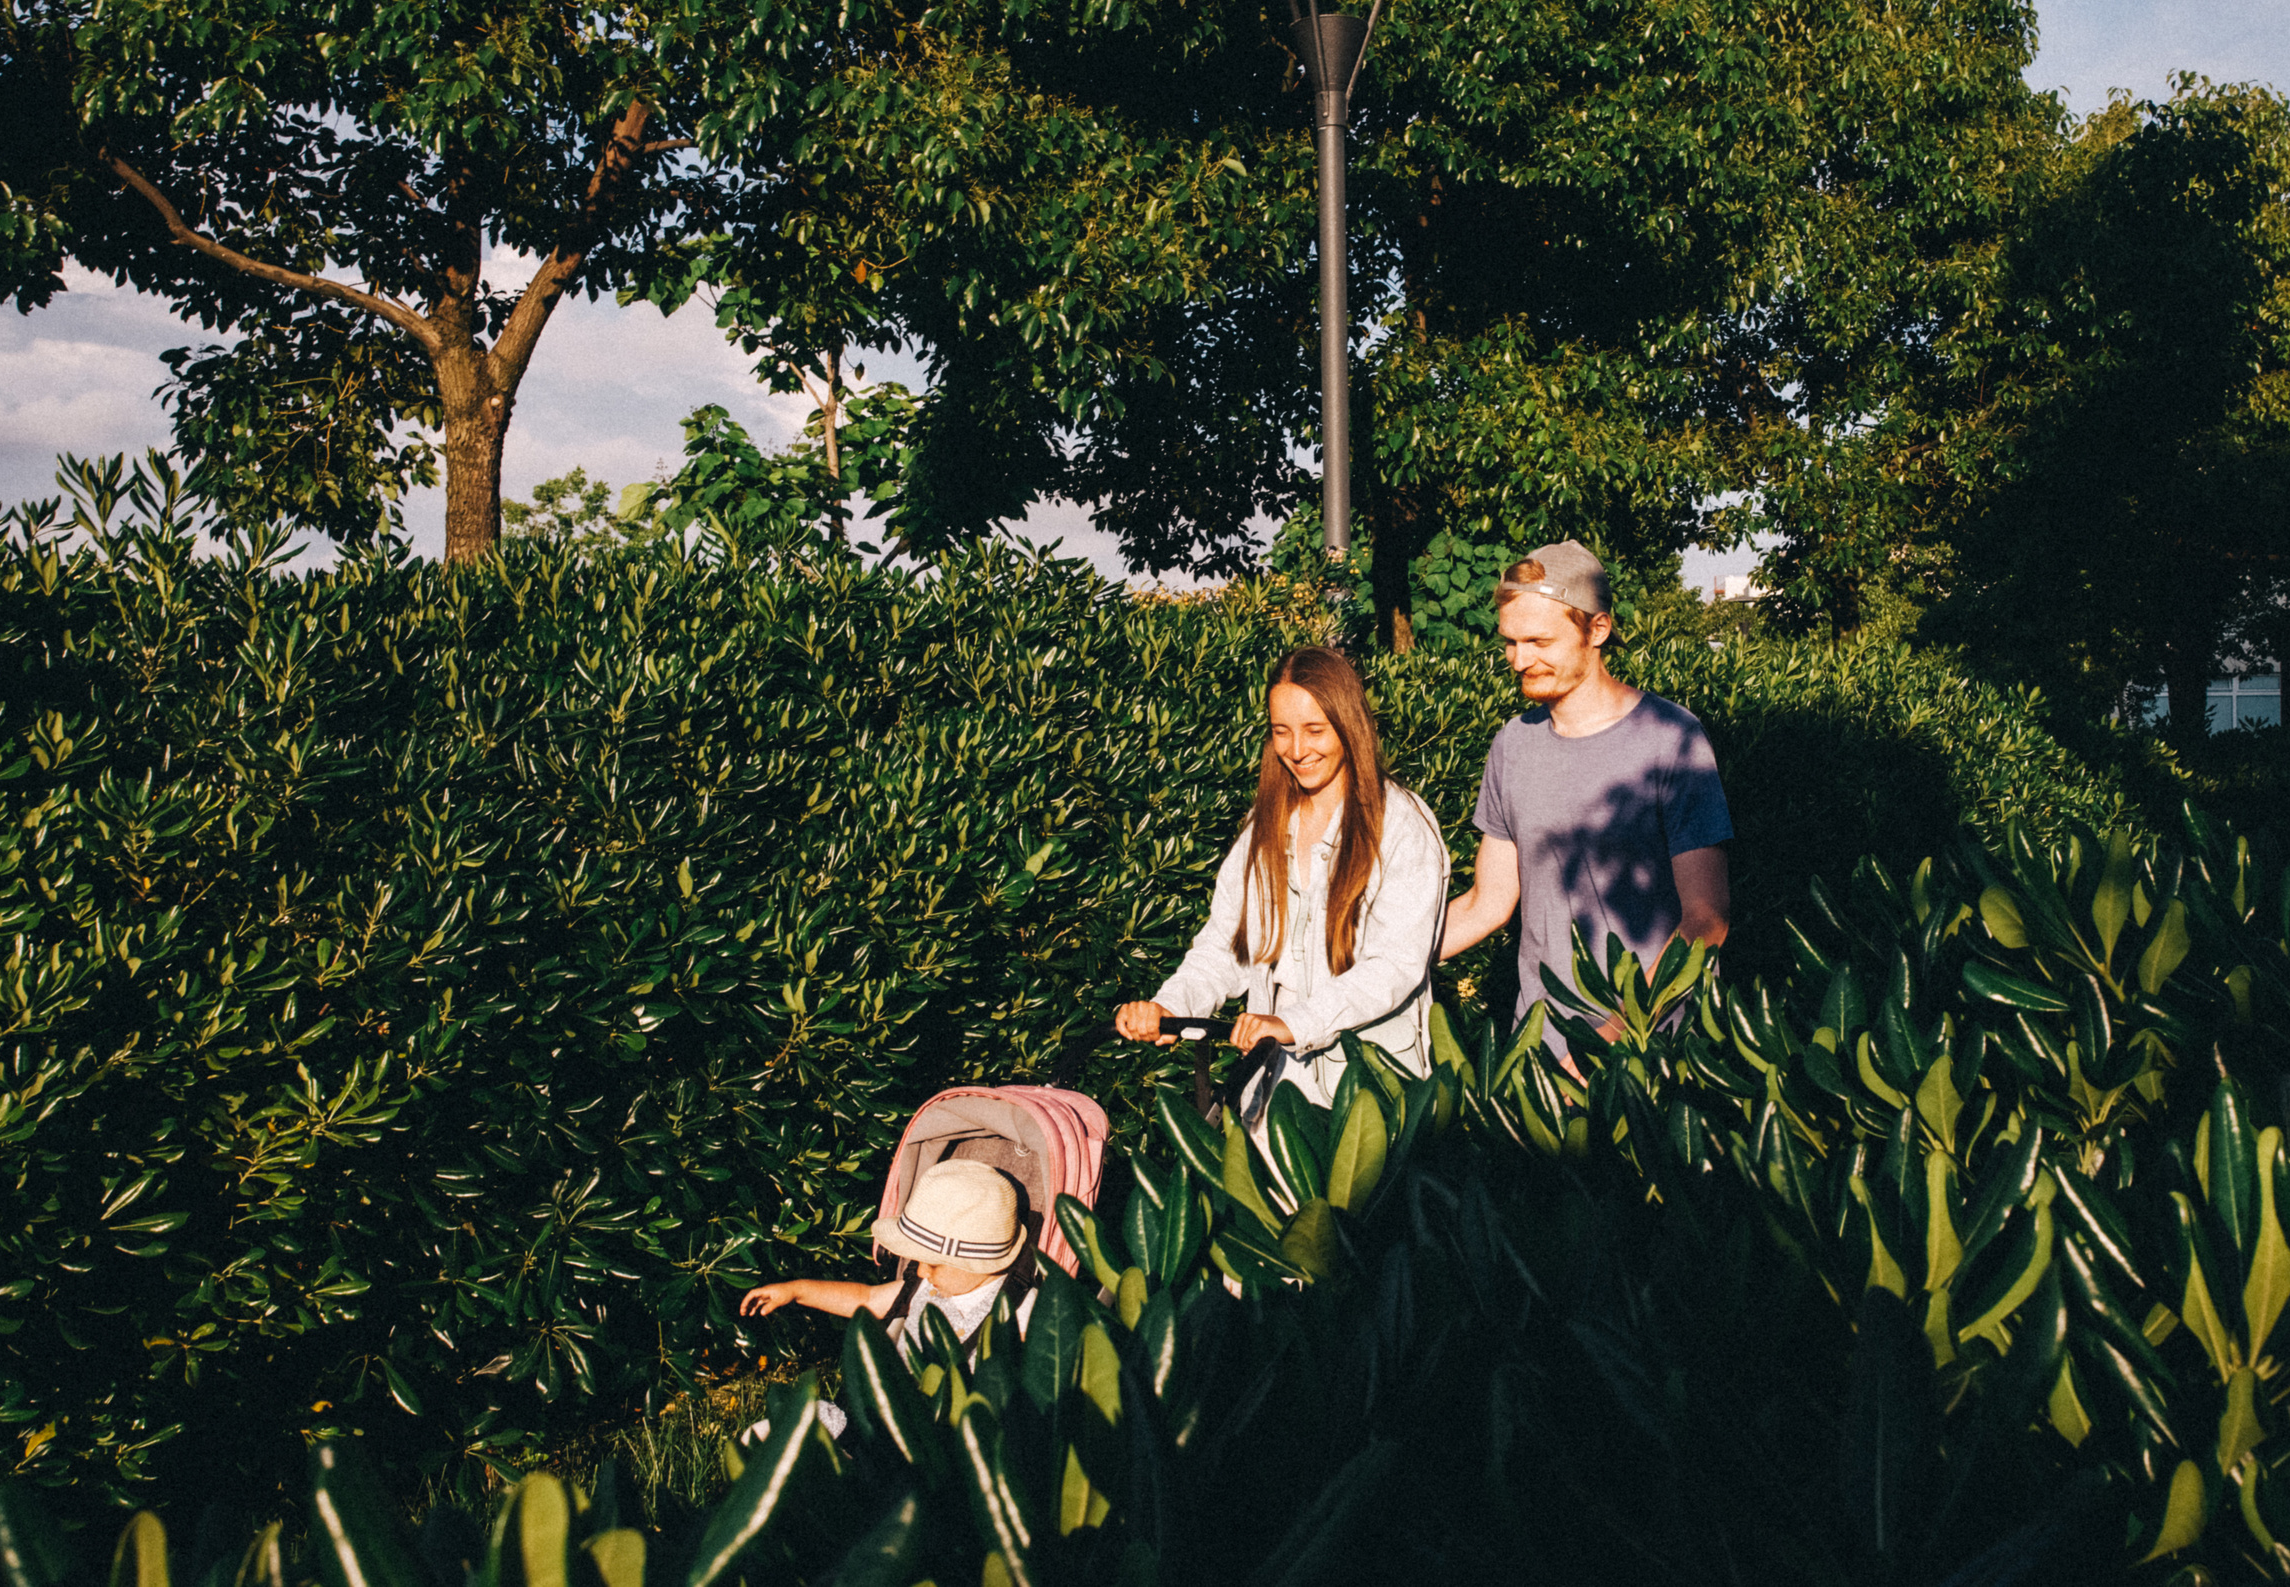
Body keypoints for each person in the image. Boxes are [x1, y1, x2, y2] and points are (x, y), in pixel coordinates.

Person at [1116, 646, 1449, 1108]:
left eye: (1315, 730)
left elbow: (1394, 967)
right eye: (1281, 732)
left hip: (1372, 1086)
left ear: (1349, 725)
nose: (1297, 750)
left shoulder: (1401, 825)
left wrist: (1298, 1021)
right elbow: (1229, 946)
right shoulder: (1267, 823)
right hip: (1277, 1086)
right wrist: (1172, 1005)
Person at [1439, 541, 1733, 1062]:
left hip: (1651, 1055)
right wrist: (1371, 964)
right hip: (1540, 1052)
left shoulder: (1671, 738)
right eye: (1510, 641)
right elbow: (1488, 903)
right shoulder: (1513, 744)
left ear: (1597, 630)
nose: (1519, 660)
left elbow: (1707, 920)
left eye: (1538, 641)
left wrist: (1613, 1037)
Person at [740, 1158, 1034, 1351]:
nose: (919, 1272)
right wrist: (796, 1290)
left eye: (932, 1264)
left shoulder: (1018, 1307)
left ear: (978, 1264)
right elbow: (865, 1299)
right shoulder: (925, 1287)